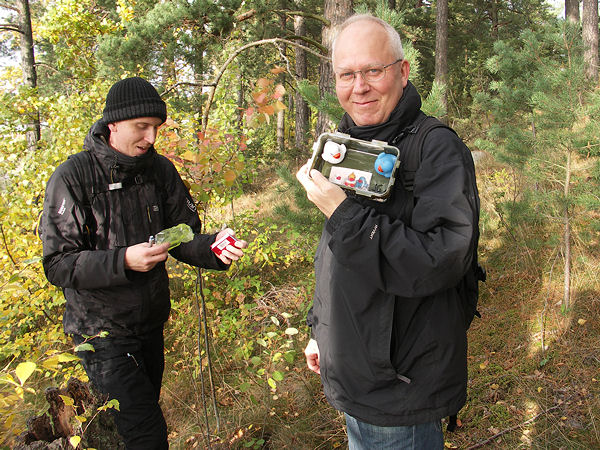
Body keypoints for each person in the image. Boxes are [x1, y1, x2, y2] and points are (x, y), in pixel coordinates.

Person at [296, 15, 480, 449]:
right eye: (346, 74)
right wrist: (321, 329)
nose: (359, 86)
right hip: (355, 371)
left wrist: (342, 214)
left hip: (401, 384)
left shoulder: (435, 147)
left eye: (373, 70)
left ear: (402, 71)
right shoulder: (345, 142)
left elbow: (440, 261)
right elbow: (336, 256)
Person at [40, 76, 248, 449]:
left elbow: (183, 236)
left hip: (150, 324)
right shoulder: (73, 177)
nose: (151, 138)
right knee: (147, 435)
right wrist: (123, 261)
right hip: (100, 332)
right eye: (142, 127)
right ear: (113, 124)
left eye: (156, 128)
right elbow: (58, 264)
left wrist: (214, 249)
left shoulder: (159, 170)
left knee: (141, 419)